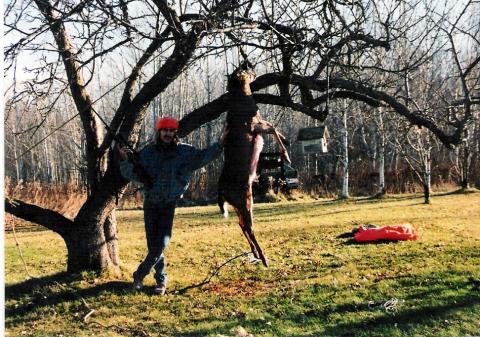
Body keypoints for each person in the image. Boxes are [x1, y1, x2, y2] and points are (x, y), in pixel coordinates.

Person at [118, 116, 227, 295]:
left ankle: (139, 275)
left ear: (175, 132)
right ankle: (161, 281)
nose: (168, 133)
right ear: (159, 132)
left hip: (169, 204)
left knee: (162, 243)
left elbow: (204, 157)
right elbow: (133, 173)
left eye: (171, 130)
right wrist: (124, 160)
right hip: (151, 204)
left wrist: (220, 143)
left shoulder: (185, 152)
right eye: (164, 130)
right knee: (154, 246)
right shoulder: (148, 152)